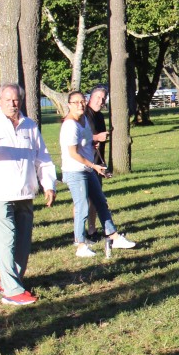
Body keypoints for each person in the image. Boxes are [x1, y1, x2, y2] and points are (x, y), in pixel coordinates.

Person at [0, 84, 57, 305]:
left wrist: (48, 185)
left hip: (25, 191)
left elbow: (42, 158)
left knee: (23, 241)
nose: (12, 104)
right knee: (6, 239)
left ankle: (9, 282)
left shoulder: (30, 125)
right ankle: (12, 292)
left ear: (21, 101)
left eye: (16, 100)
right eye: (7, 100)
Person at [59, 91, 136, 257]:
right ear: (69, 105)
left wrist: (92, 144)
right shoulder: (70, 125)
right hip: (75, 171)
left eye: (82, 101)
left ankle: (114, 237)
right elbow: (73, 153)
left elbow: (86, 142)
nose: (80, 105)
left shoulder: (84, 120)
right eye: (75, 102)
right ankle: (80, 245)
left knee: (101, 202)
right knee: (82, 207)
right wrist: (94, 166)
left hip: (87, 168)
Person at [84, 85, 110, 241]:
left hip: (97, 163)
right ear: (90, 98)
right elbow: (79, 137)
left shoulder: (99, 116)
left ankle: (92, 230)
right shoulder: (83, 114)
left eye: (103, 98)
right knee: (82, 200)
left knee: (95, 198)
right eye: (98, 97)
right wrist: (96, 137)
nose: (100, 101)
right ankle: (79, 234)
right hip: (84, 163)